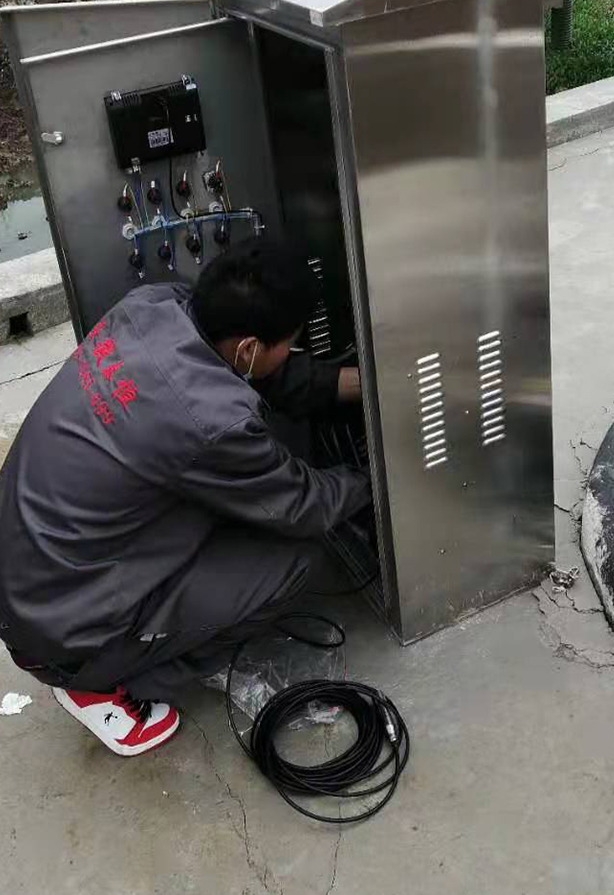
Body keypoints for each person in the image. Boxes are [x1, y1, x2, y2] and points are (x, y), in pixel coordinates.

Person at [0, 241, 370, 757]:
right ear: (248, 348)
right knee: (294, 558)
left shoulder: (154, 306)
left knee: (233, 510)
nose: (292, 350)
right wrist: (372, 476)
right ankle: (113, 685)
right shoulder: (215, 422)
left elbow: (269, 372)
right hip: (66, 635)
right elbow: (306, 506)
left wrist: (365, 386)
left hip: (31, 578)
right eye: (291, 342)